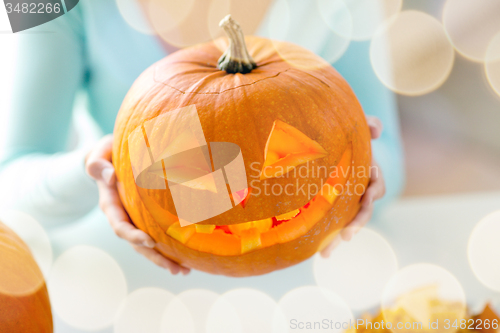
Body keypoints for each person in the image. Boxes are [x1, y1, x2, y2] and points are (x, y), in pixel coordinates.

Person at [0, 0, 404, 275]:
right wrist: (105, 166)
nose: (247, 186)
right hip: (121, 278)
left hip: (313, 284)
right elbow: (10, 180)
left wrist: (365, 171)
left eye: (281, 159)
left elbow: (387, 158)